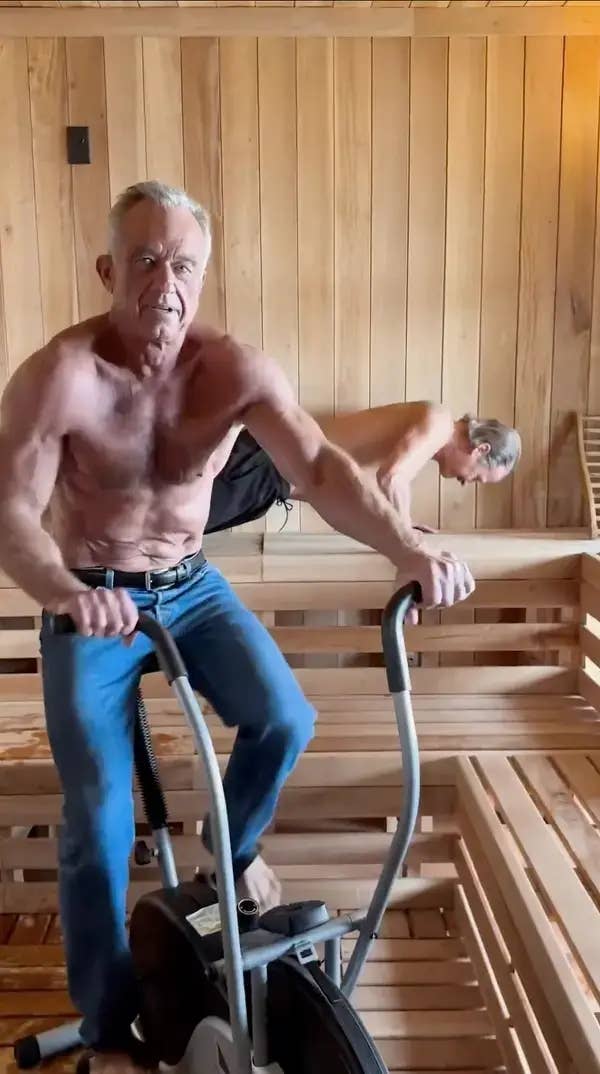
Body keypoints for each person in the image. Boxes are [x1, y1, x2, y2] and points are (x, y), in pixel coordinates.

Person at [0, 181, 474, 1074]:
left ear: (204, 276)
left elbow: (322, 468)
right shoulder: (60, 376)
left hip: (191, 587)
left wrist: (408, 548)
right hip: (90, 596)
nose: (166, 284)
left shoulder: (234, 371)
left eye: (184, 266)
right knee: (97, 821)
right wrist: (62, 589)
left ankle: (229, 854)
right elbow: (12, 512)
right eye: (146, 261)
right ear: (107, 270)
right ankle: (108, 1030)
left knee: (285, 717)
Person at [205, 403, 521, 535]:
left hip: (267, 483)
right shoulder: (439, 422)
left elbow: (332, 485)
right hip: (260, 463)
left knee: (183, 535)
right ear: (480, 449)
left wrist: (391, 527)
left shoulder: (417, 442)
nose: (466, 481)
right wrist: (407, 540)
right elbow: (392, 479)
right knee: (174, 530)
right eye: (477, 477)